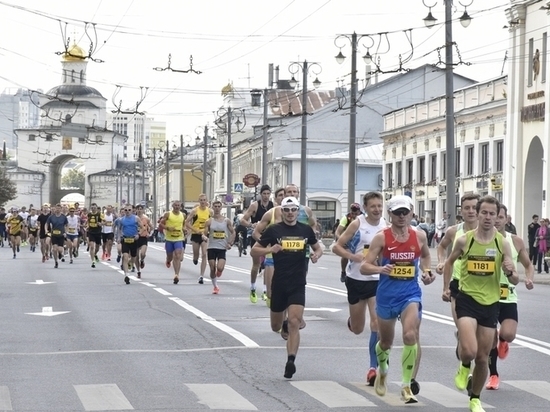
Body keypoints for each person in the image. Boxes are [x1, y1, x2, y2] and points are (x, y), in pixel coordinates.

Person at [443, 195, 518, 412]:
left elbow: (514, 280)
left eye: (492, 213)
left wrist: (510, 271)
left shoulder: (502, 242)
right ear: (477, 213)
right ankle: (463, 367)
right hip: (467, 299)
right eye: (483, 212)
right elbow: (449, 262)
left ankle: (475, 398)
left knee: (483, 357)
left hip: (491, 303)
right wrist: (446, 288)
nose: (487, 217)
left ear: (497, 217)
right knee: (468, 350)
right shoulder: (465, 240)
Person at [360, 195, 434, 404]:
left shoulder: (419, 236)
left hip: (410, 293)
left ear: (411, 213)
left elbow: (427, 256)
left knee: (410, 335)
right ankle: (382, 369)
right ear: (390, 215)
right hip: (386, 296)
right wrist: (380, 268)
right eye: (397, 213)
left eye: (405, 212)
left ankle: (406, 385)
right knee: (385, 342)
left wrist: (427, 272)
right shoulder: (382, 238)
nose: (402, 217)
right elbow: (365, 266)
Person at [251, 196, 322, 379]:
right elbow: (254, 250)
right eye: (287, 210)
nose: (290, 213)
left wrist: (316, 256)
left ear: (298, 212)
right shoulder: (274, 230)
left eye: (293, 210)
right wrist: (269, 250)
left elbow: (318, 248)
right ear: (282, 212)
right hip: (279, 283)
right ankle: (281, 323)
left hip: (298, 282)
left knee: (294, 322)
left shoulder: (305, 229)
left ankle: (291, 360)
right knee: (276, 326)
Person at [332, 192, 387, 386]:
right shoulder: (357, 224)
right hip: (355, 278)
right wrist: (355, 257)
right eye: (373, 206)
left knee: (376, 323)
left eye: (380, 206)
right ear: (365, 207)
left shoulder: (385, 227)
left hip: (376, 279)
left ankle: (373, 368)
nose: (377, 210)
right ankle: (352, 321)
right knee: (358, 328)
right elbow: (336, 247)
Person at [486, 205, 534, 390]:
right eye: (493, 216)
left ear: (506, 219)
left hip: (508, 297)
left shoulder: (515, 241)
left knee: (508, 334)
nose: (496, 220)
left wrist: (529, 278)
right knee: (489, 337)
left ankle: (503, 340)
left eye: (500, 216)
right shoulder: (482, 239)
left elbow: (528, 265)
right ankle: (494, 375)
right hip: (487, 296)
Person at [438, 193, 481, 354]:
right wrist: (442, 261)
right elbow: (442, 247)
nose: (471, 211)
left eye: (474, 208)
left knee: (479, 335)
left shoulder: (489, 232)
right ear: (461, 211)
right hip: (459, 284)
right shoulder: (453, 231)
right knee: (463, 327)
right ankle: (465, 365)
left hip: (481, 285)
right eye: (466, 208)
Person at [252, 187, 286, 306]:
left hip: (291, 256)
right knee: (272, 294)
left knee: (289, 291)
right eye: (280, 195)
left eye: (285, 195)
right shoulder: (270, 214)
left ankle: (287, 320)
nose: (283, 197)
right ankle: (255, 288)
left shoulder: (298, 213)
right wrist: (266, 245)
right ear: (276, 199)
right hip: (272, 255)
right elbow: (255, 232)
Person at [240, 185, 274, 303]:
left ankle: (265, 291)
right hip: (257, 237)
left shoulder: (273, 206)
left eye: (268, 194)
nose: (266, 196)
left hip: (268, 238)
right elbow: (243, 220)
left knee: (268, 265)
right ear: (260, 194)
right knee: (257, 265)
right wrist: (251, 225)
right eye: (264, 194)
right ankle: (253, 287)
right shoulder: (255, 205)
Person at [202, 200, 235, 294]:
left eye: (218, 207)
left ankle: (219, 271)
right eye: (215, 206)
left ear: (221, 208)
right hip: (211, 247)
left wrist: (230, 243)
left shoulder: (226, 220)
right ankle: (215, 286)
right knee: (212, 268)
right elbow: (204, 234)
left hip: (222, 248)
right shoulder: (209, 221)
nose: (217, 208)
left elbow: (233, 232)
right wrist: (204, 237)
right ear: (212, 208)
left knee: (219, 268)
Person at [186, 194, 213, 284]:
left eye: (204, 200)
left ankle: (201, 276)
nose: (202, 202)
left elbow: (213, 222)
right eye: (201, 200)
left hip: (205, 235)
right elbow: (187, 222)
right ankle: (195, 258)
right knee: (196, 255)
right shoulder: (195, 211)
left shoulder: (210, 211)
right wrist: (195, 230)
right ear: (199, 201)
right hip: (196, 234)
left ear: (206, 201)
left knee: (204, 254)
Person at [334, 202, 362, 283]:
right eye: (353, 213)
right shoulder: (346, 218)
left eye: (356, 214)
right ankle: (343, 272)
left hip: (358, 238)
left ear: (359, 212)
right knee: (345, 255)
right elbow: (337, 232)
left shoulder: (363, 217)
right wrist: (341, 240)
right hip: (347, 239)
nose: (354, 216)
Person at [161, 200, 186, 284]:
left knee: (178, 255)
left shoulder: (183, 215)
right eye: (175, 205)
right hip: (169, 239)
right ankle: (168, 260)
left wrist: (185, 229)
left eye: (178, 205)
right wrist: (167, 228)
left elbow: (183, 225)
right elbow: (161, 224)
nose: (177, 207)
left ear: (180, 207)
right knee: (170, 257)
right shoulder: (168, 214)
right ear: (172, 206)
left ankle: (176, 275)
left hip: (179, 238)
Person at [119, 205, 141, 284]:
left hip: (133, 239)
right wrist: (119, 237)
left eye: (129, 210)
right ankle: (126, 275)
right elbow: (119, 229)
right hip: (125, 239)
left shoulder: (136, 218)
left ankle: (129, 263)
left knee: (133, 258)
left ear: (132, 211)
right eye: (126, 210)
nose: (127, 211)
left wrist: (138, 234)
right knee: (125, 256)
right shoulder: (122, 220)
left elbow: (142, 228)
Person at [46, 204, 68, 268]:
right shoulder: (51, 217)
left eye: (59, 208)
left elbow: (67, 225)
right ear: (55, 209)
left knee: (60, 249)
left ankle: (61, 253)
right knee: (54, 249)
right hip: (54, 235)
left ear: (61, 209)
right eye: (56, 208)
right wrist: (46, 230)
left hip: (61, 235)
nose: (57, 210)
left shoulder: (63, 217)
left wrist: (65, 232)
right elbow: (47, 224)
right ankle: (56, 262)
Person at [86, 203, 103, 268]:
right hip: (91, 232)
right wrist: (87, 226)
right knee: (92, 246)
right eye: (92, 208)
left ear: (96, 208)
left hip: (98, 232)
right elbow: (88, 221)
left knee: (97, 248)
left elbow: (104, 222)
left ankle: (95, 254)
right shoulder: (89, 214)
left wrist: (100, 223)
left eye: (94, 208)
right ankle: (93, 261)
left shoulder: (99, 214)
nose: (93, 209)